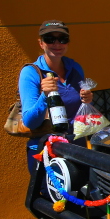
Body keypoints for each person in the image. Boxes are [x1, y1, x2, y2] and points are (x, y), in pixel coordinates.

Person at [18, 20, 92, 173]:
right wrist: (45, 96)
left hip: (76, 144)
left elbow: (78, 107)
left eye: (62, 39)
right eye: (50, 39)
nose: (57, 44)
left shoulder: (75, 67)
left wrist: (87, 99)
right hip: (46, 151)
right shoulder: (31, 73)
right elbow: (30, 122)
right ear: (41, 43)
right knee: (54, 196)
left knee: (80, 194)